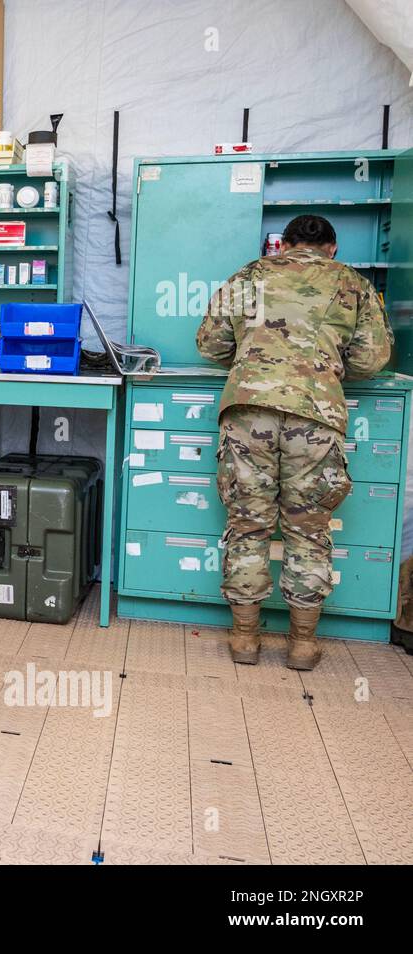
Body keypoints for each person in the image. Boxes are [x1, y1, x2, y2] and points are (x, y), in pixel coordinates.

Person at [196, 213, 391, 670]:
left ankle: (245, 639)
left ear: (281, 245)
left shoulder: (249, 275)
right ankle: (302, 645)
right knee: (309, 530)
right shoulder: (353, 284)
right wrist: (324, 367)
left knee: (248, 525)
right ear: (333, 248)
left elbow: (210, 344)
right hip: (316, 416)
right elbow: (371, 359)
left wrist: (254, 360)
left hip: (247, 412)